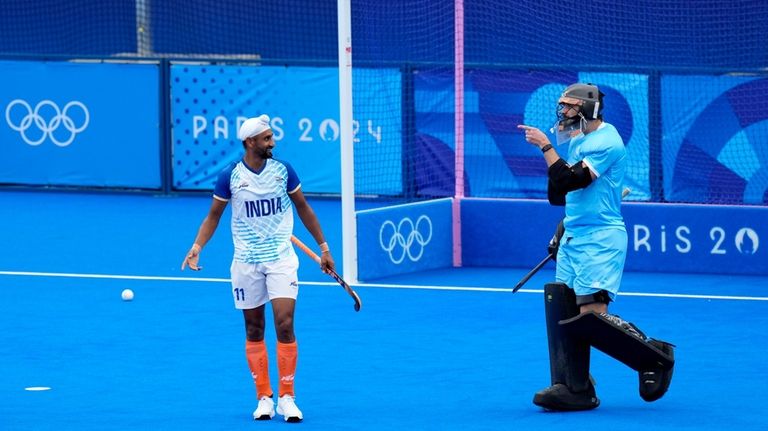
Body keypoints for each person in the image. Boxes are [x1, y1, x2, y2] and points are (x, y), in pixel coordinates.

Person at [517, 83, 674, 411]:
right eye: (562, 107)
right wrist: (563, 228)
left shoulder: (607, 141)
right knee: (562, 310)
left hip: (601, 239)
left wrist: (546, 147)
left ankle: (656, 356)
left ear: (588, 109)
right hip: (575, 236)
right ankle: (574, 387)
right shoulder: (574, 138)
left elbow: (572, 181)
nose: (563, 113)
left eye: (569, 107)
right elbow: (559, 195)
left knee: (592, 316)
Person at [181, 114, 335, 422]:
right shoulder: (231, 176)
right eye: (266, 138)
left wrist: (324, 248)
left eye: (271, 137)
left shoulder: (283, 171)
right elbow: (213, 216)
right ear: (250, 142)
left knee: (285, 323)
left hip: (281, 259)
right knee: (254, 329)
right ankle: (264, 397)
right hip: (246, 262)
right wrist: (197, 247)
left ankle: (287, 398)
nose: (273, 142)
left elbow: (303, 208)